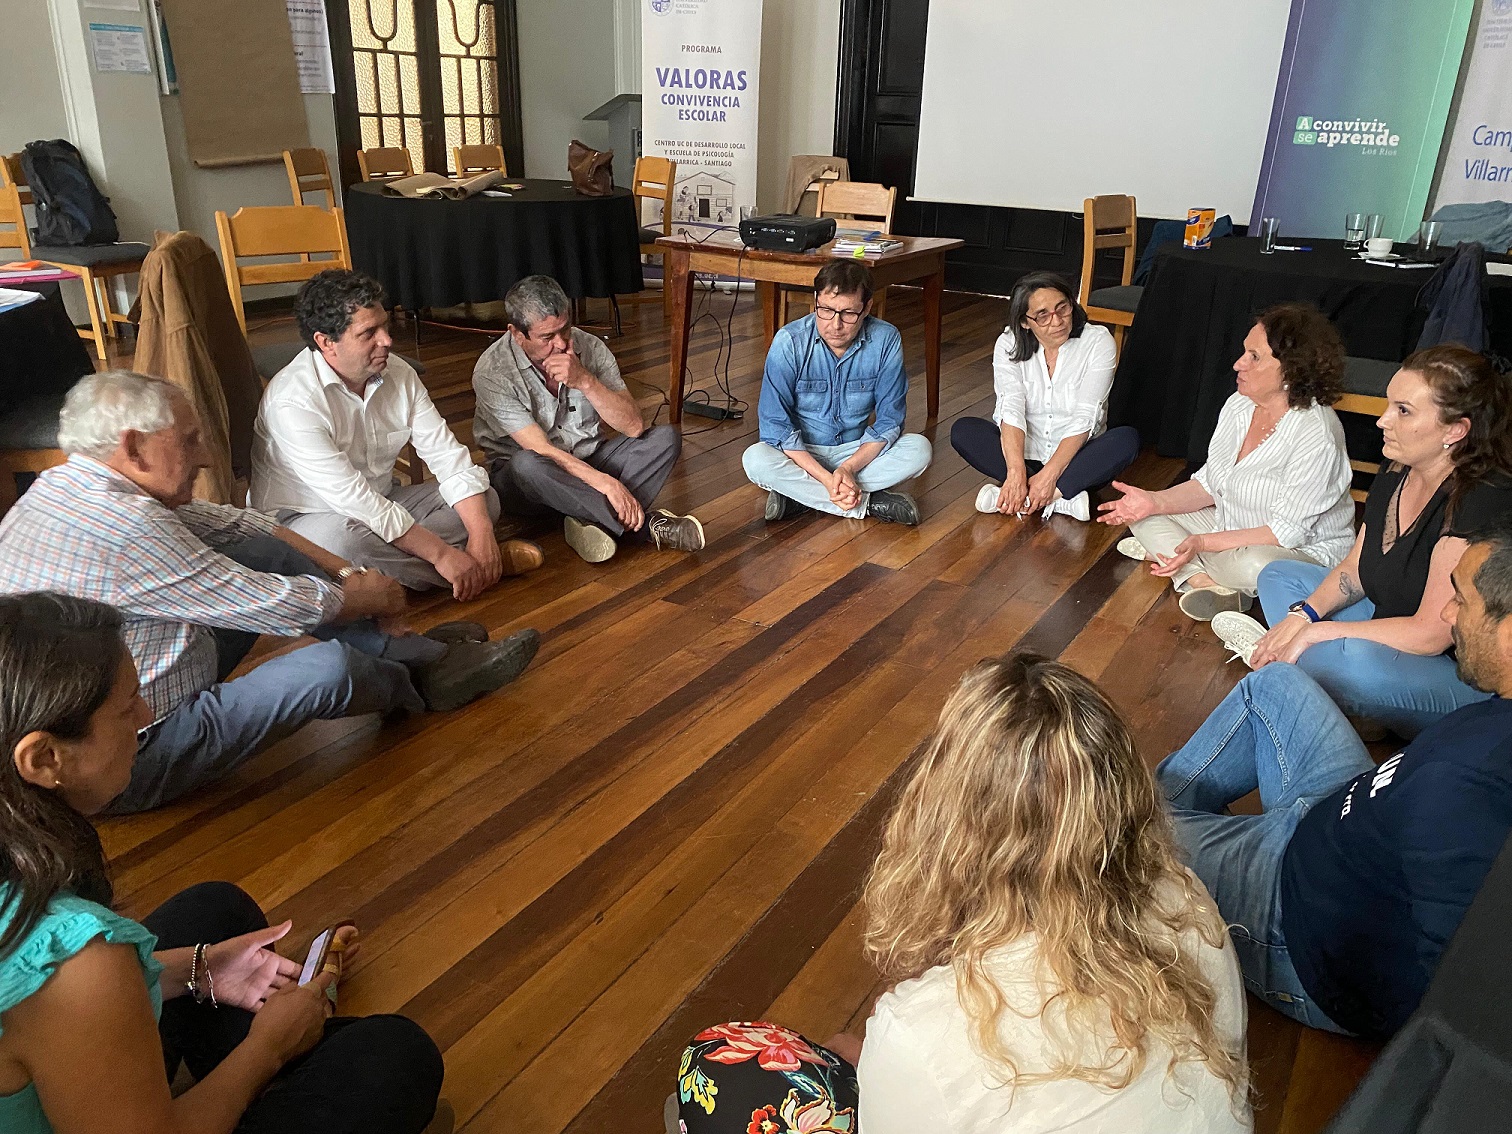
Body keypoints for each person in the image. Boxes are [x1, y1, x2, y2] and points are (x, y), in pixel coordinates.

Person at [676, 656, 1250, 1134]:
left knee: (715, 1067)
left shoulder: (922, 1032)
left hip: (919, 1062)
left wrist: (887, 1062)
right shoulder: (1185, 893)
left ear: (944, 816)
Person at [0, 592, 445, 1134]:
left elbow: (40, 997)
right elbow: (68, 987)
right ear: (44, 759)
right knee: (395, 1056)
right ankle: (281, 1070)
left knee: (213, 909)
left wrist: (201, 968)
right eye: (126, 707)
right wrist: (268, 1050)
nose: (145, 717)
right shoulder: (81, 964)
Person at [0, 371, 540, 814]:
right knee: (327, 671)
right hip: (124, 754)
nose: (206, 457)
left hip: (135, 685)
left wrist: (350, 575)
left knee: (272, 552)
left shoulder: (70, 485)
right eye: (189, 441)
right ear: (134, 447)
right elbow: (276, 603)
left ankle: (418, 658)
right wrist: (377, 597)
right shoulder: (125, 526)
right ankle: (422, 682)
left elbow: (247, 526)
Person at [1157, 512, 1512, 1040]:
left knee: (1113, 828)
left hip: (1291, 917)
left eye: (1460, 599)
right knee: (1273, 684)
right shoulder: (1486, 737)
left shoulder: (1468, 790)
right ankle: (1166, 824)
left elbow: (1459, 1002)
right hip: (1340, 812)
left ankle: (1150, 849)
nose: (1446, 612)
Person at [1212, 345, 1512, 739]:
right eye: (1390, 405)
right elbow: (1353, 569)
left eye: (1403, 411)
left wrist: (1318, 631)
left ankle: (1310, 675)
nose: (1382, 420)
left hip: (1461, 674)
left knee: (1348, 659)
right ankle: (1321, 680)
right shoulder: (1398, 468)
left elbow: (1430, 633)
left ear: (1456, 430)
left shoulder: (1479, 499)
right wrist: (1303, 616)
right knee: (1278, 575)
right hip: (1389, 626)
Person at [252, 269, 541, 598]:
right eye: (368, 333)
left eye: (385, 325)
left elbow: (448, 457)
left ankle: (395, 578)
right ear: (326, 342)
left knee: (483, 500)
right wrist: (441, 553)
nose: (387, 340)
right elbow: (357, 503)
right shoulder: (293, 402)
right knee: (345, 544)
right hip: (305, 518)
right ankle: (478, 568)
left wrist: (481, 531)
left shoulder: (398, 373)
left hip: (385, 498)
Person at [1098, 303, 1354, 621]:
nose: (1237, 364)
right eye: (1243, 352)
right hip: (1232, 528)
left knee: (1256, 566)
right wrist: (1152, 500)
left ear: (1292, 369)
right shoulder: (1239, 404)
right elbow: (1209, 483)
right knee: (1142, 516)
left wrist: (1203, 542)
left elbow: (1285, 533)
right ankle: (1204, 583)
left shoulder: (1316, 433)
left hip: (1300, 550)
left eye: (1254, 357)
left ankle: (1186, 563)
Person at [471, 274, 704, 564]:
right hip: (529, 480)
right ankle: (645, 528)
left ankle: (587, 518)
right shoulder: (492, 371)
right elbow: (541, 450)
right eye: (546, 337)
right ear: (517, 334)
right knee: (527, 464)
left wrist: (585, 381)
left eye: (564, 330)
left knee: (666, 438)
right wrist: (607, 484)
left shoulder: (590, 347)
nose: (559, 344)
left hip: (589, 458)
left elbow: (633, 426)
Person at [743, 260, 933, 526]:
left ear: (866, 308)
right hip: (802, 455)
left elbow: (890, 421)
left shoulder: (886, 339)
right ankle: (868, 503)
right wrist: (825, 477)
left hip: (857, 452)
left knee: (920, 450)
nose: (836, 324)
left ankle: (800, 498)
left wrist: (848, 468)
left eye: (848, 313)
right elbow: (776, 427)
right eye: (826, 310)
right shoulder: (789, 341)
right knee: (755, 459)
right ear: (815, 300)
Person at [950, 271, 1139, 521]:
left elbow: (1086, 416)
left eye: (1063, 308)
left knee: (1126, 439)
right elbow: (1011, 409)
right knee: (964, 430)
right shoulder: (1008, 343)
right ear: (1025, 322)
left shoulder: (1097, 341)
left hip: (1074, 459)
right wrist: (1016, 471)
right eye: (1043, 315)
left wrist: (1050, 475)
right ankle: (1061, 499)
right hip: (1023, 455)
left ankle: (1023, 498)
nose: (1057, 321)